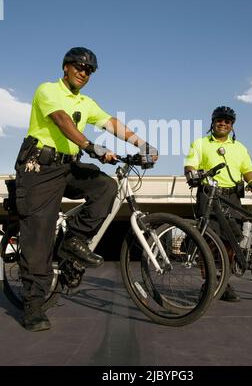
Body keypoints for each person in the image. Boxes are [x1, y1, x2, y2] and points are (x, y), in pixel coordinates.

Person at [15, 46, 158, 332]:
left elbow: (111, 123)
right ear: (65, 67)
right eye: (78, 66)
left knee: (105, 186)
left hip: (69, 166)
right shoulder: (48, 90)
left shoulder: (86, 102)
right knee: (40, 233)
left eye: (89, 70)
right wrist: (90, 145)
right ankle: (32, 304)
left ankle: (73, 241)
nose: (83, 72)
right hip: (40, 167)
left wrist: (142, 144)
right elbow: (62, 120)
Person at [184, 106, 252, 302]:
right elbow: (190, 164)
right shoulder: (200, 143)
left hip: (232, 198)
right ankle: (209, 283)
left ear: (232, 125)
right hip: (208, 195)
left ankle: (224, 281)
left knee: (230, 241)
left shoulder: (240, 147)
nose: (223, 124)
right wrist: (191, 174)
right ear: (213, 122)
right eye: (220, 120)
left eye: (227, 121)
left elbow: (248, 169)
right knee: (207, 240)